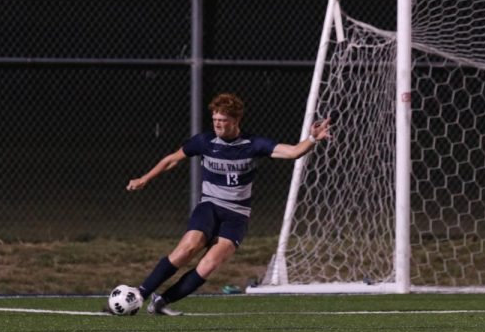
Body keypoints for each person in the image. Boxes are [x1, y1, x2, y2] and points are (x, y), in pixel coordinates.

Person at [125, 93, 331, 315]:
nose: (218, 125)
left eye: (222, 121)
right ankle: (139, 294)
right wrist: (144, 178)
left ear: (235, 120)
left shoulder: (253, 144)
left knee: (209, 264)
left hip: (237, 215)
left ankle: (161, 302)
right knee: (187, 249)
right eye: (215, 120)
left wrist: (311, 138)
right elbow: (171, 159)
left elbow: (292, 152)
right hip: (210, 207)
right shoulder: (205, 142)